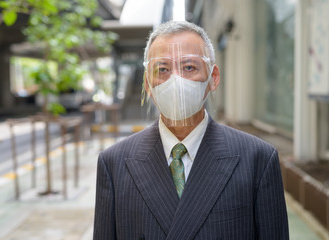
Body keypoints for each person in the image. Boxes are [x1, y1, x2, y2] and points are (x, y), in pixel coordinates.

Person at [93, 21, 289, 240]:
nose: (175, 81)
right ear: (147, 84)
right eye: (163, 69)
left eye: (189, 67)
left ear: (213, 78)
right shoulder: (114, 164)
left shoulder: (258, 160)